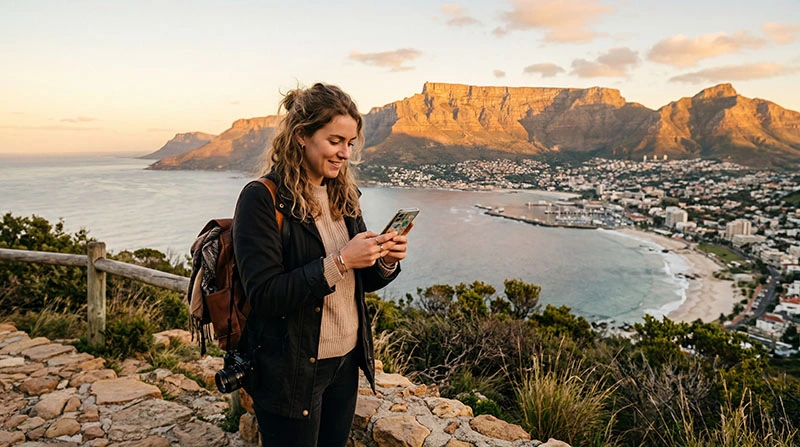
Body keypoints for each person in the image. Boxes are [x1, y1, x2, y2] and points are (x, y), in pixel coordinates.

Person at [232, 82, 409, 447]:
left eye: (350, 143)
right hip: (290, 369)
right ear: (301, 136)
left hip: (345, 362)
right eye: (335, 141)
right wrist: (341, 260)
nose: (345, 153)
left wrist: (385, 261)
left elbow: (360, 282)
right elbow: (265, 296)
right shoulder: (261, 200)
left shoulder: (344, 195)